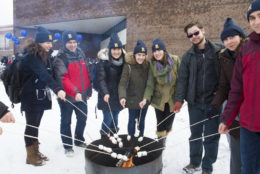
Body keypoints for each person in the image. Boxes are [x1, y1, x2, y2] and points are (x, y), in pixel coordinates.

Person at [173, 22, 224, 174]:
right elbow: (182, 80)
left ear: (203, 31)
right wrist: (179, 99)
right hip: (194, 104)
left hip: (212, 104)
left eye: (196, 33)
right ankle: (194, 163)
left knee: (211, 136)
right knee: (195, 135)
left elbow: (227, 75)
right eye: (190, 35)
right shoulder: (188, 56)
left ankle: (207, 167)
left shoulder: (219, 51)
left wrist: (221, 92)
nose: (194, 37)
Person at [219, 1, 260, 173]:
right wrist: (226, 118)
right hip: (248, 125)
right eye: (252, 18)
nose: (256, 21)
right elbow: (236, 89)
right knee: (248, 168)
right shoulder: (247, 49)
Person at [20, 27, 66, 166]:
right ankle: (30, 156)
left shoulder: (43, 56)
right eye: (47, 42)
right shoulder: (31, 56)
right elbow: (43, 74)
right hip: (30, 97)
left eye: (51, 43)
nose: (50, 45)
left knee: (36, 125)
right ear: (39, 42)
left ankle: (35, 151)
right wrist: (57, 89)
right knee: (31, 126)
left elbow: (49, 74)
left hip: (39, 96)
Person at [209, 17, 247, 174]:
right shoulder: (224, 58)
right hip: (235, 111)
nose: (229, 41)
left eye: (232, 37)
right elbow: (224, 87)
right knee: (236, 151)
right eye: (225, 39)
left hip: (253, 109)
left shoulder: (250, 53)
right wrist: (214, 106)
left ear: (240, 36)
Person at [54, 30, 92, 157]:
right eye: (69, 42)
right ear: (64, 43)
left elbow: (86, 73)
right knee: (66, 121)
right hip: (67, 96)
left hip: (81, 95)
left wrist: (88, 88)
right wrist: (75, 91)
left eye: (74, 42)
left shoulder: (81, 54)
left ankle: (79, 139)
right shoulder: (61, 57)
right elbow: (63, 78)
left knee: (83, 118)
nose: (72, 45)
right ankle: (68, 145)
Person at [139, 38, 180, 145]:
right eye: (154, 51)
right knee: (160, 124)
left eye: (159, 50)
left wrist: (180, 98)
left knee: (168, 124)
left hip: (172, 99)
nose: (157, 53)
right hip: (159, 99)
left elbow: (181, 80)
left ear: (164, 50)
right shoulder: (152, 65)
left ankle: (164, 137)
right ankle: (161, 142)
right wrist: (145, 98)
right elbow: (150, 84)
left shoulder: (175, 60)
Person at [118, 40, 149, 137]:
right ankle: (131, 140)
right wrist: (122, 97)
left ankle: (140, 139)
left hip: (144, 100)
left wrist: (146, 98)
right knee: (131, 120)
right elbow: (122, 83)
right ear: (135, 55)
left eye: (143, 55)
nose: (141, 57)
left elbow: (150, 84)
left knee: (142, 121)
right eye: (139, 54)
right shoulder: (128, 66)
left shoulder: (147, 66)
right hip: (132, 99)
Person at [96, 33, 124, 138]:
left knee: (115, 116)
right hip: (106, 95)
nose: (116, 51)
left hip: (118, 96)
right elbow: (101, 79)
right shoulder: (103, 62)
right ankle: (103, 138)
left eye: (118, 49)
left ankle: (113, 137)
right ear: (109, 49)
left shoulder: (123, 62)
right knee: (107, 118)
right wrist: (105, 92)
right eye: (114, 49)